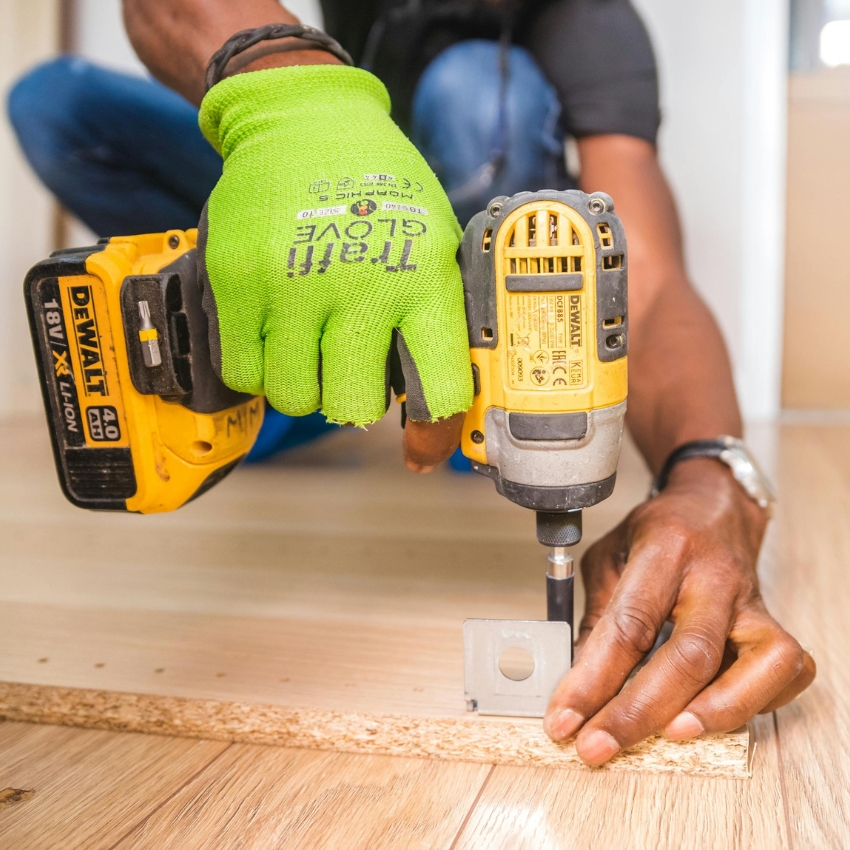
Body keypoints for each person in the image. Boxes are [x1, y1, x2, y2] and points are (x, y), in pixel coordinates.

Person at [7, 0, 815, 766]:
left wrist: (712, 477)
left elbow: (652, 280)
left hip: (463, 284)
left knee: (474, 87)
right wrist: (294, 93)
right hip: (330, 207)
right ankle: (295, 360)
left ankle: (443, 385)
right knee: (59, 104)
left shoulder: (590, 21)